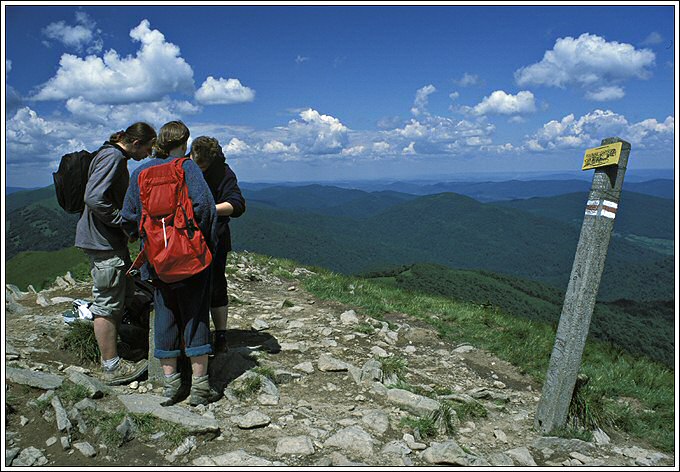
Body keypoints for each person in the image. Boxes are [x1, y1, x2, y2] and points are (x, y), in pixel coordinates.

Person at [121, 121, 222, 406]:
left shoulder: (140, 171)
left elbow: (129, 217)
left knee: (165, 313)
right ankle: (200, 387)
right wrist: (199, 243)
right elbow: (205, 209)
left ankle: (170, 385)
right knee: (196, 314)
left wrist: (146, 242)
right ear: (184, 142)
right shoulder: (187, 168)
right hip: (190, 258)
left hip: (156, 261)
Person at [75, 122, 156, 386]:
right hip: (103, 242)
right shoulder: (113, 157)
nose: (147, 154)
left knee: (122, 292)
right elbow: (94, 197)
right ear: (135, 143)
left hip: (106, 240)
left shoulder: (110, 154)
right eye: (146, 148)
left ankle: (118, 346)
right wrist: (121, 221)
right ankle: (111, 366)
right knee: (107, 303)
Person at [189, 136, 246, 353]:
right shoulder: (185, 166)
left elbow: (238, 204)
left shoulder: (223, 172)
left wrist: (208, 209)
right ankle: (197, 333)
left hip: (215, 238)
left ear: (212, 159)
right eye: (197, 163)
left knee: (216, 286)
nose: (199, 169)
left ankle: (220, 335)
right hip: (188, 238)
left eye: (203, 165)